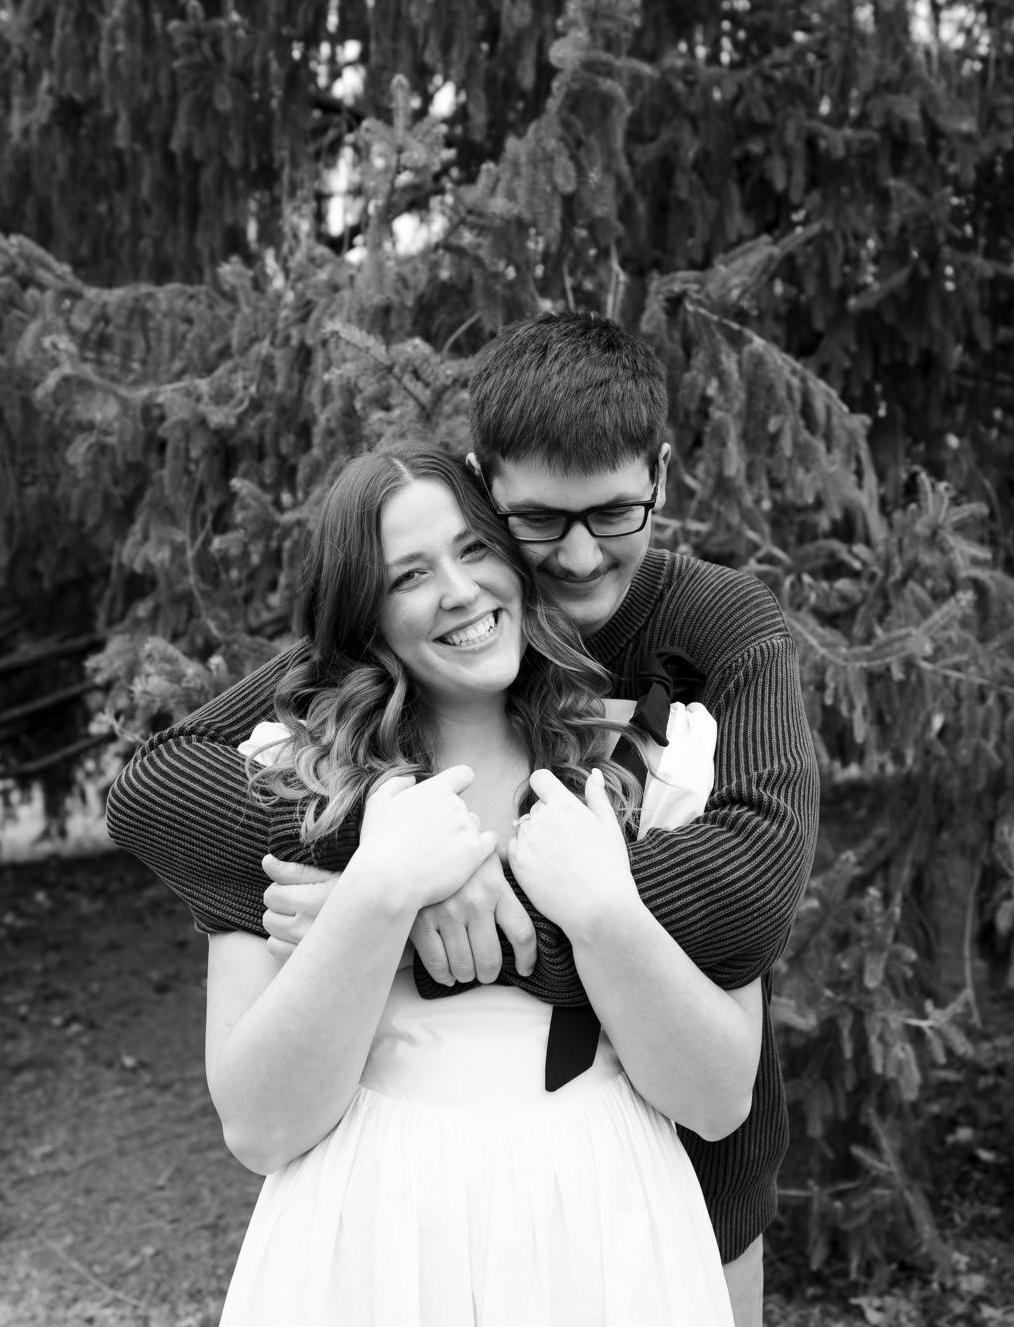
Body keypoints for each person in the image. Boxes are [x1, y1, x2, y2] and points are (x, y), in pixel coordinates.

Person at [106, 310, 820, 1325]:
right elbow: (158, 787)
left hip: (670, 1191)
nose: (578, 557)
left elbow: (750, 891)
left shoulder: (705, 660)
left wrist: (483, 904)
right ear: (487, 489)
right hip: (388, 1230)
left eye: (614, 511)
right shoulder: (328, 731)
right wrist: (394, 872)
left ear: (660, 477)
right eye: (536, 522)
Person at [204, 445, 754, 1323]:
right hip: (374, 1236)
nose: (459, 591)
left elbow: (720, 1101)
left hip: (603, 1228)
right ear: (365, 614)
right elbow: (260, 1129)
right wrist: (380, 893)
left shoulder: (646, 764)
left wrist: (604, 912)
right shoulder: (290, 780)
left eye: (473, 550)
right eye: (409, 575)